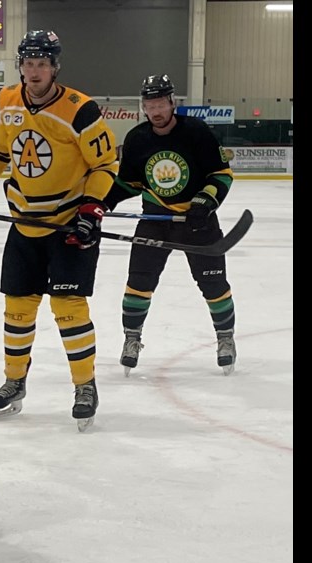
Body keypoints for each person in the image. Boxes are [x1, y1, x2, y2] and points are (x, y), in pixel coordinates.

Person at [0, 29, 119, 431]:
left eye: (41, 64)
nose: (34, 71)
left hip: (67, 222)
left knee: (68, 308)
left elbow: (105, 165)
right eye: (28, 63)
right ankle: (14, 382)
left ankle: (85, 386)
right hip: (25, 222)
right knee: (18, 307)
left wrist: (91, 209)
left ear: (54, 67)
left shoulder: (80, 109)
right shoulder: (6, 100)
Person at [104, 74, 237, 376]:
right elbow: (128, 183)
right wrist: (101, 203)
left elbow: (221, 174)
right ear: (144, 107)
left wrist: (205, 202)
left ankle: (225, 338)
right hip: (154, 220)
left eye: (161, 103)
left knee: (213, 285)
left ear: (172, 103)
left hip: (197, 222)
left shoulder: (197, 132)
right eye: (150, 105)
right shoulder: (138, 139)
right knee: (138, 283)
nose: (156, 110)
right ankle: (131, 339)